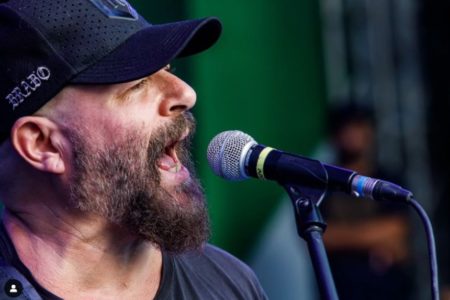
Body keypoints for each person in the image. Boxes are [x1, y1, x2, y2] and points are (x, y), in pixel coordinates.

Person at [0, 0, 267, 299]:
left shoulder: (229, 284)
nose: (186, 93)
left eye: (168, 69)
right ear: (43, 145)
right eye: (138, 84)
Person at [321, 104, 414, 300]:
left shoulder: (388, 179)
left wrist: (343, 236)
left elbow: (396, 231)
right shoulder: (322, 183)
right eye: (346, 128)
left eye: (358, 126)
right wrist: (374, 239)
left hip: (391, 290)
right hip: (342, 290)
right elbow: (321, 236)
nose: (352, 134)